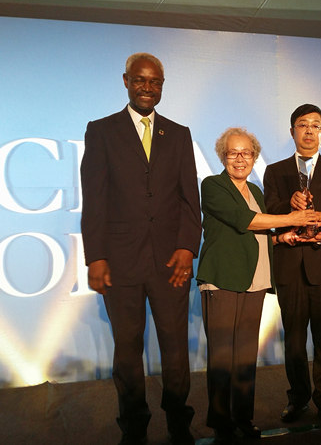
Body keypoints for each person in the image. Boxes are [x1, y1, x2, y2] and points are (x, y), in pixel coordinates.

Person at [80, 52, 201, 445]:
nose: (147, 88)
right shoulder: (101, 131)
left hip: (171, 263)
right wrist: (96, 257)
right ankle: (134, 428)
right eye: (140, 80)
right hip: (120, 262)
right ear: (126, 81)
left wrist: (187, 247)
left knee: (176, 349)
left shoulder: (178, 133)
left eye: (155, 82)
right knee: (127, 351)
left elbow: (190, 199)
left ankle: (179, 424)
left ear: (162, 86)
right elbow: (94, 199)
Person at [196, 127, 320, 444]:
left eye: (246, 153)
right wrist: (293, 218)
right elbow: (246, 221)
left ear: (254, 157)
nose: (240, 159)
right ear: (222, 156)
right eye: (233, 153)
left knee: (245, 357)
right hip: (223, 279)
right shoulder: (212, 185)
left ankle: (243, 418)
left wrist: (282, 237)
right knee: (223, 358)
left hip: (255, 280)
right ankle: (221, 423)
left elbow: (260, 233)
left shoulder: (255, 190)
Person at [263, 104, 321, 427]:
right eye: (302, 124)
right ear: (292, 131)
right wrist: (289, 206)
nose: (309, 130)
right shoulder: (275, 171)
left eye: (315, 125)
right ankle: (297, 398)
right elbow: (268, 209)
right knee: (295, 340)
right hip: (289, 266)